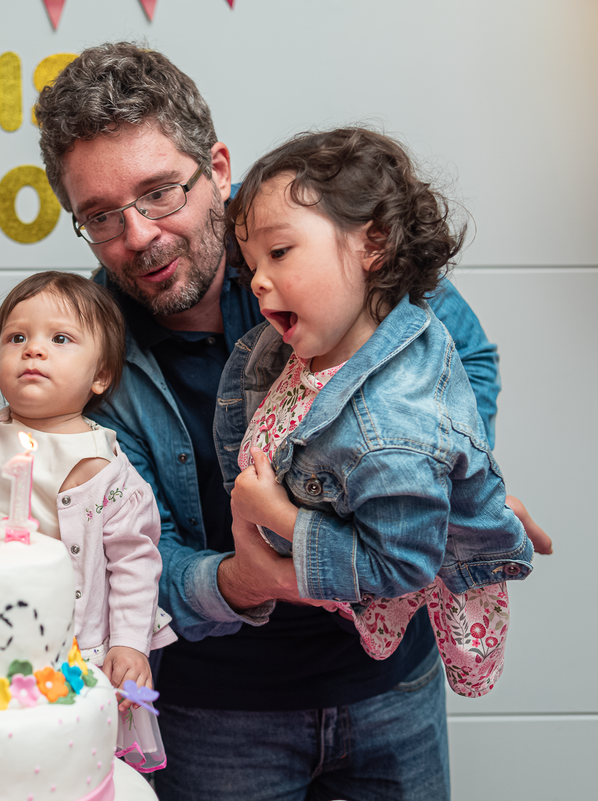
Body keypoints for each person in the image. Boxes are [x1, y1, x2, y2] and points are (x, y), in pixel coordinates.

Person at [34, 42, 551, 799]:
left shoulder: (316, 226)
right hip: (215, 717)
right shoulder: (82, 346)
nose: (138, 234)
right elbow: (128, 558)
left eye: (159, 193)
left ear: (216, 170)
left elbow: (461, 353)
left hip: (391, 687)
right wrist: (241, 582)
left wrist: (441, 477)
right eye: (102, 216)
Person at [218, 127, 533, 699]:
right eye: (251, 265)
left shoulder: (391, 429)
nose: (257, 281)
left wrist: (280, 518)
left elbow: (401, 568)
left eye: (279, 252)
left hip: (383, 588)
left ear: (374, 245)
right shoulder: (330, 337)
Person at [0, 270, 175, 771]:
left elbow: (135, 562)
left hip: (65, 644)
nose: (33, 350)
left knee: (61, 763)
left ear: (100, 376)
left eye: (60, 339)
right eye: (16, 338)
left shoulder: (104, 467)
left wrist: (129, 643)